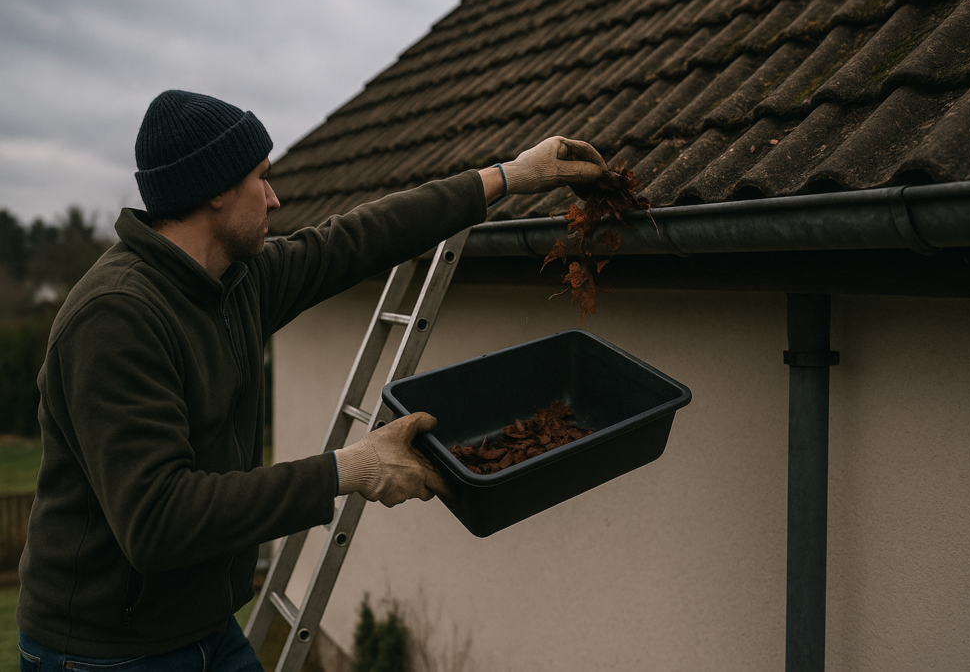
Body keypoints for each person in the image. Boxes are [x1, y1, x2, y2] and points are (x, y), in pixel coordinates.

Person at [15, 90, 606, 670]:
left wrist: (506, 176)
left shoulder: (233, 281)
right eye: (261, 178)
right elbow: (158, 520)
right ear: (216, 191)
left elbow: (354, 239)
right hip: (104, 654)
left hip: (204, 627)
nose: (273, 199)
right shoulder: (116, 318)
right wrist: (349, 469)